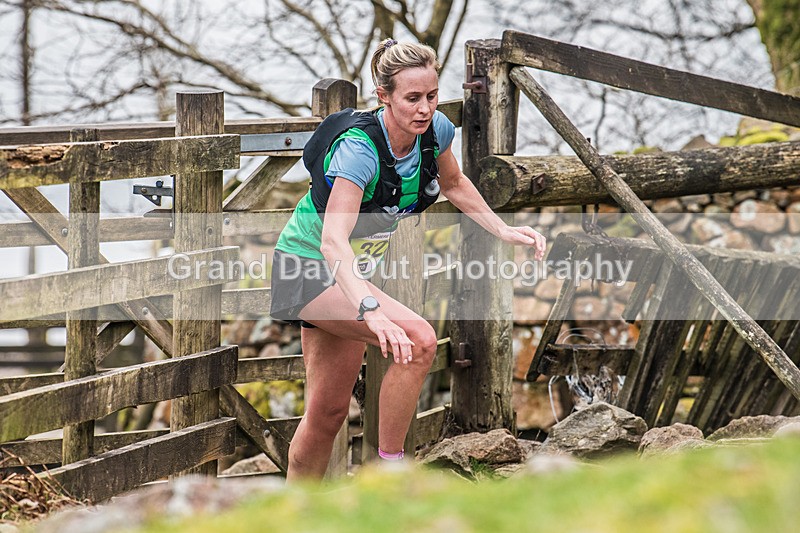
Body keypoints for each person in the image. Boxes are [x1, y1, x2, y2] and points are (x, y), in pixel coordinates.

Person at [270, 38, 546, 481]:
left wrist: (504, 229)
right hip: (306, 269)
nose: (424, 109)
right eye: (412, 98)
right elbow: (332, 242)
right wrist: (372, 311)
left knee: (328, 411)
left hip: (349, 276)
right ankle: (391, 477)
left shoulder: (435, 131)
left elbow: (454, 183)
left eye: (432, 97)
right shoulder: (360, 151)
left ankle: (302, 515)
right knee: (417, 340)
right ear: (384, 97)